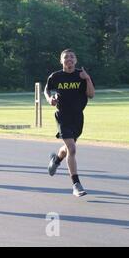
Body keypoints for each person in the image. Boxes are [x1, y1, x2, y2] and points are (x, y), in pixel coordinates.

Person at [44, 49, 95, 197]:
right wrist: (49, 99)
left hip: (78, 118)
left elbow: (91, 95)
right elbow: (47, 90)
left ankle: (57, 159)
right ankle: (76, 185)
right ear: (61, 61)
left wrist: (87, 78)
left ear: (76, 60)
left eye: (72, 57)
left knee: (67, 149)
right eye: (66, 57)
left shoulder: (82, 75)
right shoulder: (56, 76)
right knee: (72, 149)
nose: (69, 59)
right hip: (63, 117)